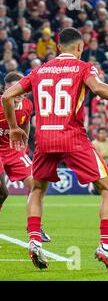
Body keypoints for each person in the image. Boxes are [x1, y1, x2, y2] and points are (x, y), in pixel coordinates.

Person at [2, 27, 108, 272]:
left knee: (37, 189)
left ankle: (34, 240)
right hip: (73, 137)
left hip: (44, 139)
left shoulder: (39, 70)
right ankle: (105, 247)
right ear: (80, 47)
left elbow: (7, 96)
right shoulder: (83, 67)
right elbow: (98, 89)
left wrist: (14, 128)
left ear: (57, 48)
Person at [0, 72, 51, 242]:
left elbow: (26, 121)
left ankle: (35, 227)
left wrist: (26, 143)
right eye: (13, 88)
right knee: (2, 192)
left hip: (14, 150)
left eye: (22, 89)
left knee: (37, 184)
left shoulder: (27, 104)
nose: (19, 93)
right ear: (5, 89)